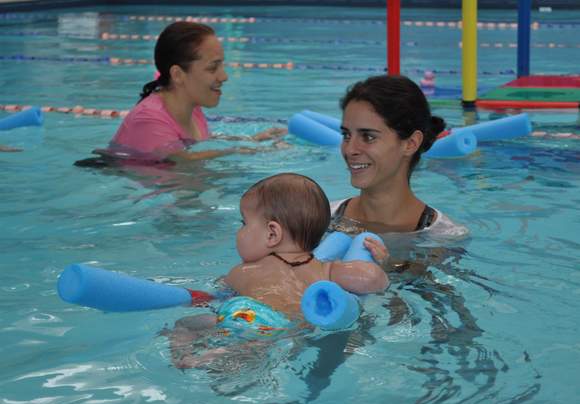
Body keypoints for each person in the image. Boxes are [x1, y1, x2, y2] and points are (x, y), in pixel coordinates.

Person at [166, 173, 389, 369]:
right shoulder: (325, 271)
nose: (240, 231)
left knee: (185, 325)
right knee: (259, 345)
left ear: (272, 234)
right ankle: (229, 353)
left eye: (244, 223)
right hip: (286, 329)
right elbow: (373, 280)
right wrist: (381, 263)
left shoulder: (243, 272)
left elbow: (217, 295)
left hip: (242, 313)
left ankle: (184, 357)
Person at [76, 21, 286, 167]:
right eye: (213, 68)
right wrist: (248, 152)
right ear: (178, 75)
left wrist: (249, 140)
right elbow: (185, 164)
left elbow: (196, 146)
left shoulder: (191, 107)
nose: (224, 76)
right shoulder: (149, 120)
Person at [330, 74, 468, 240]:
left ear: (410, 143)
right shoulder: (319, 220)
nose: (350, 149)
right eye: (346, 135)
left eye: (368, 137)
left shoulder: (444, 238)